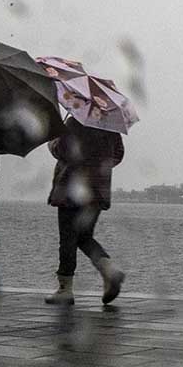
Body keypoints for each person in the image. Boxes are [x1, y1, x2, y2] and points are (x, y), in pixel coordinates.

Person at [44, 116, 125, 305]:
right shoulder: (109, 125)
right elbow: (118, 154)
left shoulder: (74, 122)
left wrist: (52, 143)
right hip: (97, 190)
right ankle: (109, 271)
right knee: (83, 236)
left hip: (72, 190)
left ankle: (65, 289)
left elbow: (63, 149)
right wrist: (97, 162)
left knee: (68, 238)